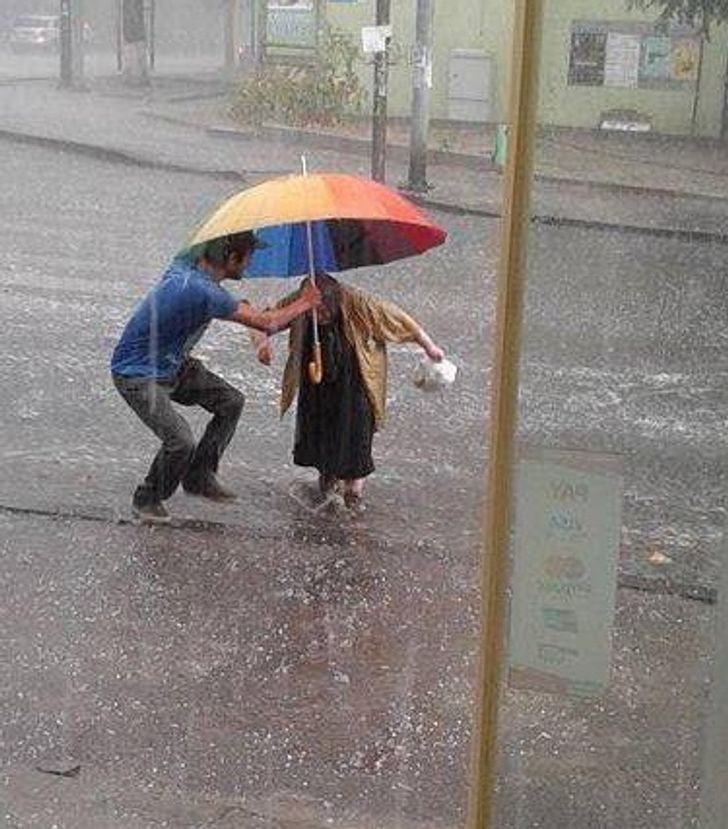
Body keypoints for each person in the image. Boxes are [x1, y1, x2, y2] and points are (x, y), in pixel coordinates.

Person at [110, 232, 322, 523]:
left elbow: (250, 312)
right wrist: (306, 302)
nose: (248, 266)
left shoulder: (186, 264)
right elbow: (268, 322)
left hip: (173, 365)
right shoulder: (204, 292)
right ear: (231, 258)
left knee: (231, 401)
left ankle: (198, 475)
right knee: (181, 441)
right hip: (137, 374)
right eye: (247, 258)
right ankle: (147, 498)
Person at [252, 273, 444, 511]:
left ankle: (354, 499)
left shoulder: (359, 303)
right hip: (317, 379)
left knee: (356, 438)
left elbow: (402, 321)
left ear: (334, 301)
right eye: (311, 312)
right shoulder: (300, 300)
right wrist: (262, 345)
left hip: (355, 378)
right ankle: (327, 493)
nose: (317, 317)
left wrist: (430, 347)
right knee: (321, 441)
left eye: (322, 312)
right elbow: (261, 321)